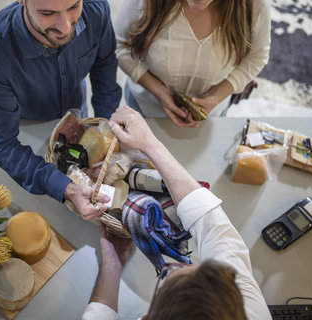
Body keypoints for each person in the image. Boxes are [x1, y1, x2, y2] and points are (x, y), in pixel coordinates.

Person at [82, 106, 271, 319]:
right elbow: (213, 227)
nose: (174, 264)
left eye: (167, 274)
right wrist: (113, 264)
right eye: (197, 267)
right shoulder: (249, 311)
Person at [0, 0, 122, 219]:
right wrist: (62, 187)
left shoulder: (96, 10)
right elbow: (4, 144)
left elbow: (104, 64)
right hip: (26, 127)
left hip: (79, 114)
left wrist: (107, 129)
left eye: (74, 6)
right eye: (48, 13)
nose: (65, 27)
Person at [114, 0, 271, 127]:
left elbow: (256, 58)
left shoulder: (255, 3)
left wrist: (216, 96)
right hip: (146, 111)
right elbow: (117, 45)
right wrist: (159, 92)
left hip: (212, 117)